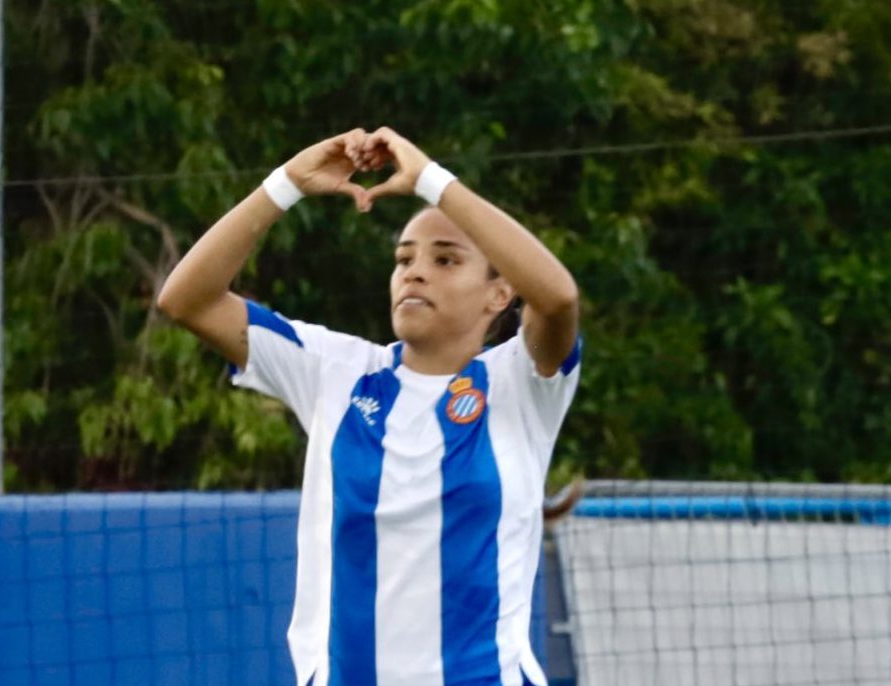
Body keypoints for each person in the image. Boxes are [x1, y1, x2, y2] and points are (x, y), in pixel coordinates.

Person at [157, 127, 581, 686]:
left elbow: (559, 297)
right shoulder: (336, 372)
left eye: (446, 259)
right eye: (404, 258)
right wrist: (288, 183)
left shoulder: (521, 383)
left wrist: (431, 182)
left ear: (498, 294)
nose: (415, 270)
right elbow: (186, 299)